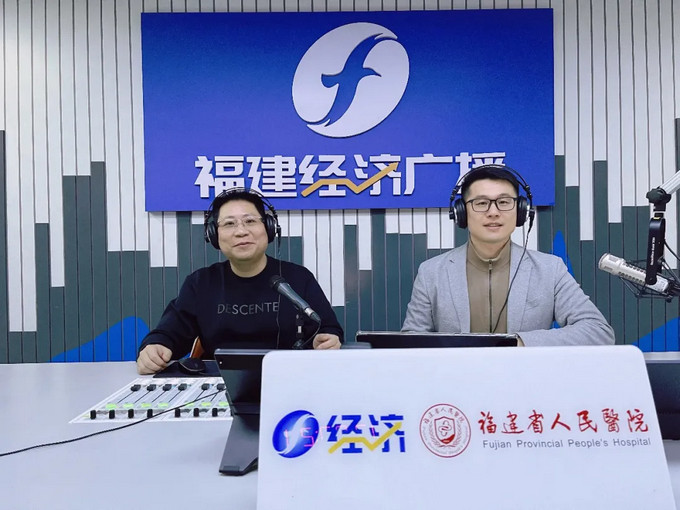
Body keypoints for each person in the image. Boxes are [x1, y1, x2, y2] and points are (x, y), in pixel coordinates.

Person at [402, 164, 615, 346]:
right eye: (481, 203)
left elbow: (598, 331)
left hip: (525, 379)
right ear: (461, 212)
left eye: (504, 202)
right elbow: (410, 343)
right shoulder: (431, 272)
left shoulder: (550, 269)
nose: (493, 212)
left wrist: (520, 343)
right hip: (455, 380)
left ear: (520, 211)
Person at [137, 188, 343, 374]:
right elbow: (168, 334)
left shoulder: (297, 278)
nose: (241, 231)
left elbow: (327, 329)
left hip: (287, 380)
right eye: (229, 224)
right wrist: (155, 347)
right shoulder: (201, 283)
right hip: (219, 385)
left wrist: (326, 339)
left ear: (269, 227)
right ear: (214, 235)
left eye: (250, 221)